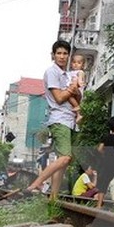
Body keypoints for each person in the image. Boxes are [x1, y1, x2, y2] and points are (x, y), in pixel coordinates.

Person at [27, 40, 81, 195]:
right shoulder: (52, 72)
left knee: (62, 163)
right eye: (59, 53)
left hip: (70, 120)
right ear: (53, 55)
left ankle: (53, 199)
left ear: (68, 56)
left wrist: (74, 92)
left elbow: (77, 100)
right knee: (65, 158)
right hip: (60, 119)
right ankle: (37, 183)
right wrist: (72, 91)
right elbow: (58, 98)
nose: (62, 56)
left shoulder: (67, 75)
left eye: (65, 53)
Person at [94, 116, 114, 203]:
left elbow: (99, 149)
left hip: (107, 163)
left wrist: (105, 156)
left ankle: (99, 204)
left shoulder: (106, 137)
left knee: (104, 183)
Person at [69, 53, 87, 127]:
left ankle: (78, 112)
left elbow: (79, 79)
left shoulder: (80, 72)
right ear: (71, 64)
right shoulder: (70, 73)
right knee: (69, 97)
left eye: (79, 63)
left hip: (77, 90)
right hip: (72, 90)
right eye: (74, 62)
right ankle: (78, 115)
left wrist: (79, 82)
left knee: (70, 97)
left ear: (82, 65)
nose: (76, 64)